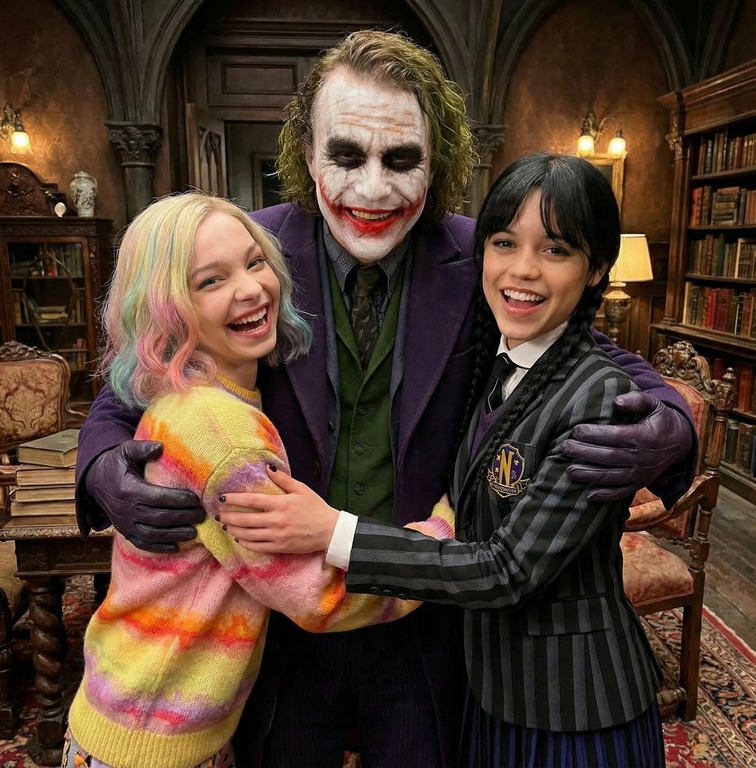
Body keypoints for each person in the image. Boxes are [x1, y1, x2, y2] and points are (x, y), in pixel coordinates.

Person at [75, 31, 695, 768]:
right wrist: (103, 464)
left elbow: (589, 350)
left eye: (401, 160)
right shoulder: (250, 255)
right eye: (346, 156)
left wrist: (675, 421)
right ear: (308, 155)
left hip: (424, 626)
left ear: (437, 163)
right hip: (281, 629)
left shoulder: (486, 255)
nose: (372, 188)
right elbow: (140, 369)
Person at [221, 152, 667, 768]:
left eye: (556, 250)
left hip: (574, 704)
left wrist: (333, 532)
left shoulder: (596, 396)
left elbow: (508, 569)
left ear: (596, 270)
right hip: (491, 690)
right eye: (504, 243)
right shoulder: (501, 362)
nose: (523, 269)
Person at [64, 192, 454, 768]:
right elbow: (318, 596)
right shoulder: (221, 435)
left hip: (145, 717)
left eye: (254, 263)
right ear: (167, 310)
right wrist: (444, 534)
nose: (250, 288)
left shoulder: (203, 394)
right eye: (210, 281)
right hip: (155, 740)